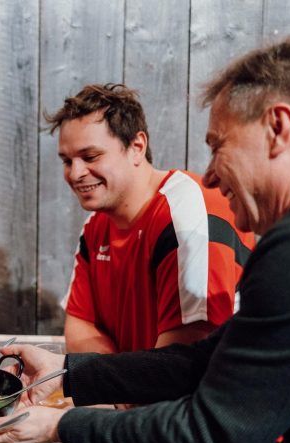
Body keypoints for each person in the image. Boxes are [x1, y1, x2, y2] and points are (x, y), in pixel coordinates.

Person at [0, 34, 290, 443]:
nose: (211, 175)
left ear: (278, 127)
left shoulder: (289, 247)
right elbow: (198, 361)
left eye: (218, 146)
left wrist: (59, 426)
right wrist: (66, 373)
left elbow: (215, 432)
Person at [52, 84, 254, 354]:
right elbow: (81, 327)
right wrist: (110, 390)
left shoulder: (189, 211)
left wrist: (108, 386)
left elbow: (185, 357)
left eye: (90, 156)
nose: (75, 173)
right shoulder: (95, 225)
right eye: (67, 161)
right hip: (135, 391)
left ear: (137, 147)